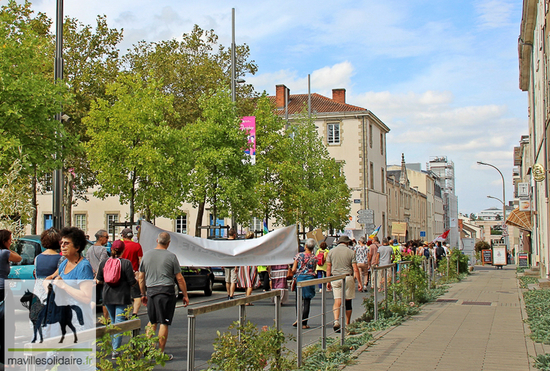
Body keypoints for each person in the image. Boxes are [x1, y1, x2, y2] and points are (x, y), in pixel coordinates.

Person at [139, 232, 189, 360]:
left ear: (157, 240)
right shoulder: (171, 257)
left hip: (151, 291)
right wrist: (185, 295)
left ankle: (148, 350)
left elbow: (141, 277)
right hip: (166, 291)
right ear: (168, 243)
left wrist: (143, 293)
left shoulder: (147, 255)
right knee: (164, 322)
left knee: (152, 321)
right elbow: (180, 278)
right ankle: (160, 353)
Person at [96, 240, 136, 359]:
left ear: (111, 249)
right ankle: (115, 350)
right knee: (119, 323)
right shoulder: (126, 263)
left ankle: (113, 346)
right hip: (122, 296)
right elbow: (131, 282)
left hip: (107, 295)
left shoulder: (104, 262)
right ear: (123, 250)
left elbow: (99, 280)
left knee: (113, 322)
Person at [326, 235, 361, 333]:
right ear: (347, 243)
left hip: (335, 278)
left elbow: (328, 268)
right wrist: (359, 282)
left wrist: (328, 280)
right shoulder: (351, 252)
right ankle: (347, 324)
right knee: (348, 302)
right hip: (347, 277)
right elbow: (355, 268)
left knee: (337, 301)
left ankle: (336, 320)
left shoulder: (331, 252)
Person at [0, 230, 22, 365]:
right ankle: (7, 360)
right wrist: (8, 249)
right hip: (4, 291)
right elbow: (18, 257)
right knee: (8, 325)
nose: (11, 242)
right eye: (10, 239)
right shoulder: (5, 253)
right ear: (4, 241)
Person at [291, 238, 317, 329]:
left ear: (305, 246)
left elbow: (294, 269)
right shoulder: (314, 257)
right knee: (307, 301)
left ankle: (298, 319)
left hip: (300, 279)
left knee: (298, 300)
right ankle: (304, 323)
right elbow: (314, 269)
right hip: (309, 279)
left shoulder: (299, 256)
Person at [86, 229, 109, 319]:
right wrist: (98, 274)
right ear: (100, 238)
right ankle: (106, 319)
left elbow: (87, 262)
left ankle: (88, 317)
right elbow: (102, 263)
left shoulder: (90, 249)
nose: (107, 239)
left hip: (92, 277)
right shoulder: (103, 249)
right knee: (104, 299)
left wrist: (93, 273)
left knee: (93, 299)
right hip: (101, 278)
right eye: (106, 237)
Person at [120, 227, 143, 317]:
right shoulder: (137, 246)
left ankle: (124, 314)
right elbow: (140, 260)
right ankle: (135, 313)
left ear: (123, 235)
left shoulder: (120, 245)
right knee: (136, 295)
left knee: (123, 295)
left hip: (120, 273)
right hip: (133, 274)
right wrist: (140, 272)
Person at [238, 231, 258, 305]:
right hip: (251, 263)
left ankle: (248, 299)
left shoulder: (243, 244)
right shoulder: (254, 244)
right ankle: (247, 300)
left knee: (247, 282)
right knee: (250, 283)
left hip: (244, 264)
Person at [224, 228, 239, 300]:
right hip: (233, 263)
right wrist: (236, 265)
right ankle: (231, 294)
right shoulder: (235, 243)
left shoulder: (225, 242)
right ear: (234, 235)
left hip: (226, 262)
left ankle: (228, 294)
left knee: (227, 280)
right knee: (233, 280)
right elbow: (236, 254)